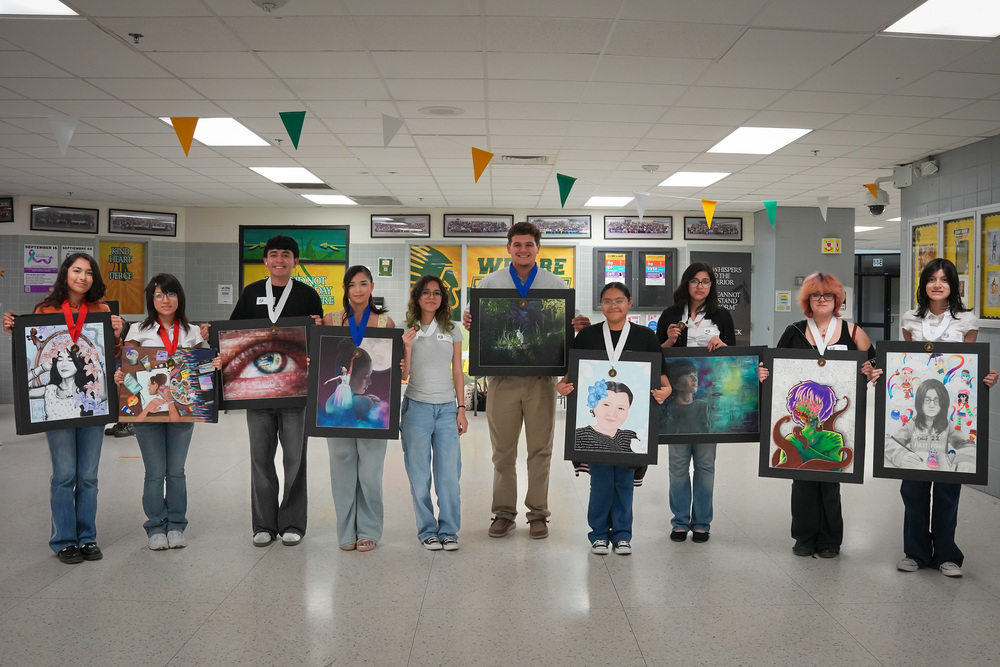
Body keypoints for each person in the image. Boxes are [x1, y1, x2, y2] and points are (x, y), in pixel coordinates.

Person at [463, 221, 590, 539]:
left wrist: (578, 326)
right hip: (502, 380)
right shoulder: (490, 283)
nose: (523, 250)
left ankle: (538, 514)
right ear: (508, 248)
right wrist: (469, 320)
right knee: (503, 452)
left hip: (540, 380)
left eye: (528, 245)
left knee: (540, 451)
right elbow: (474, 323)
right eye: (517, 244)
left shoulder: (555, 284)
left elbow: (564, 327)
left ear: (538, 248)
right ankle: (503, 513)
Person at [3, 253, 124, 564]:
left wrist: (118, 334)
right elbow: (31, 352)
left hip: (92, 403)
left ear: (95, 278)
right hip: (57, 407)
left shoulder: (101, 310)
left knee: (89, 475)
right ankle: (64, 539)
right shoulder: (45, 309)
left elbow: (112, 355)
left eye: (88, 273)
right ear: (65, 274)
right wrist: (15, 330)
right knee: (65, 473)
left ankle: (87, 537)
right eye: (76, 270)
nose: (82, 277)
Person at [894, 258, 998, 577]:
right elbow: (905, 362)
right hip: (918, 406)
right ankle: (915, 552)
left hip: (953, 411)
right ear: (923, 284)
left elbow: (969, 365)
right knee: (913, 486)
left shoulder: (966, 319)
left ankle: (947, 554)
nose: (937, 284)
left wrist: (986, 378)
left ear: (954, 285)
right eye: (931, 279)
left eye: (944, 279)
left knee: (948, 485)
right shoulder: (910, 318)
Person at [765, 272, 880, 558]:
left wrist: (870, 370)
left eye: (827, 295)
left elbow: (875, 361)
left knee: (830, 480)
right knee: (802, 479)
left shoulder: (853, 332)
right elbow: (779, 369)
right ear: (807, 300)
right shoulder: (793, 331)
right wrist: (764, 373)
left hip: (839, 419)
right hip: (801, 420)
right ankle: (803, 537)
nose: (821, 300)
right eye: (815, 295)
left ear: (837, 299)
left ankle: (830, 540)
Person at [557, 282, 669, 556]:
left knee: (624, 482)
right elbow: (571, 377)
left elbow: (662, 377)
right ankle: (597, 535)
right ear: (600, 304)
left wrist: (665, 390)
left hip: (630, 425)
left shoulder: (645, 337)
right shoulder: (587, 337)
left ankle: (622, 535)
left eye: (619, 300)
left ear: (629, 302)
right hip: (597, 425)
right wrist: (562, 387)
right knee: (601, 481)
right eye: (607, 301)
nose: (613, 306)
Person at [227, 235, 323, 547]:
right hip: (257, 392)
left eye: (286, 255)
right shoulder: (252, 292)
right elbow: (233, 334)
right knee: (260, 459)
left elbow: (317, 340)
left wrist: (318, 331)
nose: (279, 260)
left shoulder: (308, 295)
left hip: (295, 392)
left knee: (295, 459)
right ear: (265, 260)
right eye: (273, 254)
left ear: (296, 261)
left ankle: (293, 522)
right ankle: (264, 525)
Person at [114, 274, 211, 551]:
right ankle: (156, 526)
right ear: (151, 300)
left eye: (170, 294)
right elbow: (129, 370)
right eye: (158, 295)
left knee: (176, 471)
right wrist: (122, 378)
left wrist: (212, 359)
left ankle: (177, 525)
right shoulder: (137, 331)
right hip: (148, 412)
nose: (165, 300)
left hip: (181, 409)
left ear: (179, 298)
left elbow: (202, 371)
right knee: (155, 472)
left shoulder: (192, 332)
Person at [656, 262, 735, 543]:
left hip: (704, 399)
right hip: (675, 403)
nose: (700, 286)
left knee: (705, 465)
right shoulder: (670, 315)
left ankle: (702, 523)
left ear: (712, 286)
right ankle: (679, 521)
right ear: (685, 284)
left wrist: (724, 346)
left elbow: (733, 359)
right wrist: (667, 340)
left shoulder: (722, 317)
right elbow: (655, 357)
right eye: (694, 281)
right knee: (677, 466)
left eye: (705, 281)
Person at [323, 265, 395, 552]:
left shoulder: (385, 323)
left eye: (363, 284)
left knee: (370, 472)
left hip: (372, 419)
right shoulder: (329, 320)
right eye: (352, 285)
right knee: (341, 470)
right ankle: (346, 531)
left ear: (372, 287)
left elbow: (392, 365)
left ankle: (369, 529)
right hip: (338, 413)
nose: (358, 290)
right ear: (345, 289)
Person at [400, 275, 467, 551]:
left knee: (449, 475)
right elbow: (402, 376)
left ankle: (449, 530)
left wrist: (461, 408)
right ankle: (427, 530)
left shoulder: (452, 330)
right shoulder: (406, 329)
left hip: (447, 410)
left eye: (436, 293)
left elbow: (457, 372)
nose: (431, 297)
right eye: (425, 292)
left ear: (442, 299)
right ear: (417, 297)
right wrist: (405, 346)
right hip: (416, 407)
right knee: (419, 476)